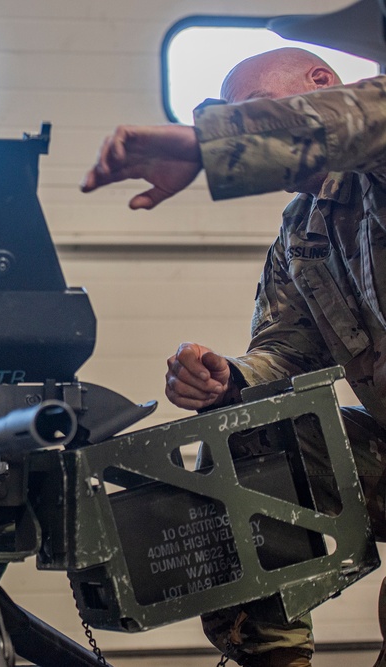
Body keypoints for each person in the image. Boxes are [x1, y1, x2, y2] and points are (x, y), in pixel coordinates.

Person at [80, 48, 386, 667]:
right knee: (251, 432)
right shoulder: (303, 230)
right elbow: (286, 353)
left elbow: (373, 114)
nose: (247, 132)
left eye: (252, 114)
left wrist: (208, 144)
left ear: (321, 86)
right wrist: (229, 377)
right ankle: (272, 658)